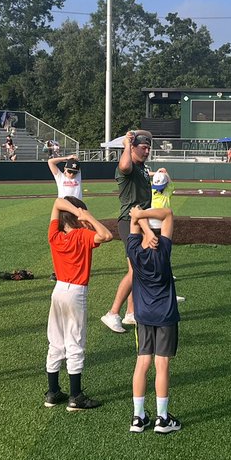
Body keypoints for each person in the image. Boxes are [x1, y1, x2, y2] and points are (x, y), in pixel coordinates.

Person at [45, 196, 114, 410]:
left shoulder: (55, 236)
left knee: (55, 341)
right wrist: (87, 216)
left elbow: (57, 202)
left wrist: (78, 213)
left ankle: (53, 391)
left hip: (58, 291)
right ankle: (76, 396)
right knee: (75, 342)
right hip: (76, 292)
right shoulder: (83, 235)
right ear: (75, 216)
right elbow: (107, 235)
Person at [127, 206, 182, 434]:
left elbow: (133, 226)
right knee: (162, 365)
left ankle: (138, 418)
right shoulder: (163, 251)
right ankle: (162, 418)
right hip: (166, 314)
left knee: (142, 364)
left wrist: (138, 218)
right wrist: (145, 219)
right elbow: (168, 213)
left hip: (143, 315)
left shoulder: (133, 252)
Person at [101, 130, 154, 334]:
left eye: (149, 147)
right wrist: (126, 144)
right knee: (135, 270)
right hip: (129, 221)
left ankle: (131, 312)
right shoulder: (128, 166)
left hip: (140, 221)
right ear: (133, 148)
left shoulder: (141, 167)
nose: (147, 150)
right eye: (143, 147)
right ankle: (113, 312)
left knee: (136, 269)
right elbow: (123, 166)